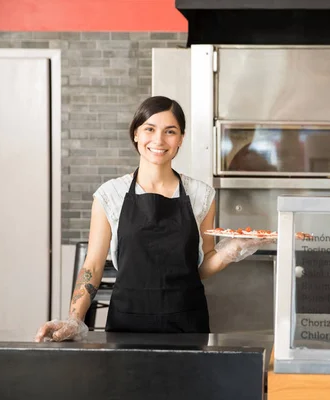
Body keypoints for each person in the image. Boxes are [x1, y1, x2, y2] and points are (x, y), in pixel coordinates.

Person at [35, 96, 268, 342]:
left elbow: (200, 269)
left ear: (181, 138)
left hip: (187, 324)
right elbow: (92, 265)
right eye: (149, 129)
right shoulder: (110, 195)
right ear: (136, 133)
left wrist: (231, 250)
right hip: (126, 324)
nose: (158, 140)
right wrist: (75, 318)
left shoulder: (201, 195)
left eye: (170, 131)